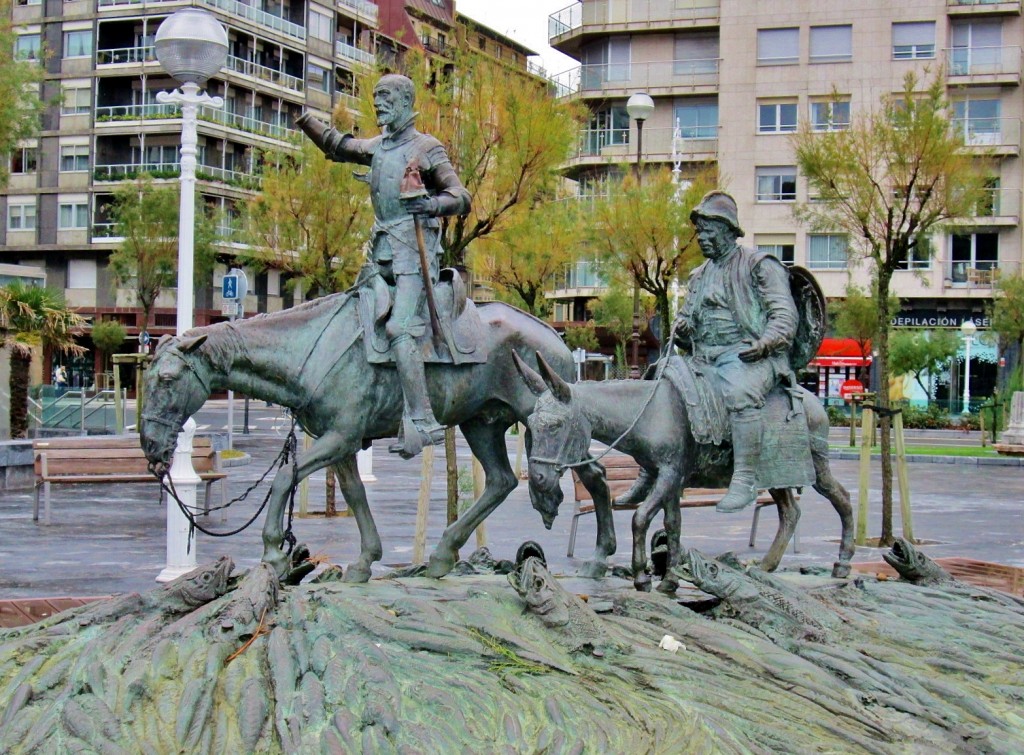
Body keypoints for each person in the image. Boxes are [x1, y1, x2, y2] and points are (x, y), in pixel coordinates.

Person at [295, 74, 471, 458]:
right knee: (353, 322)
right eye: (376, 98)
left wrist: (433, 205)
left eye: (386, 97)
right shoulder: (378, 146)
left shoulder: (427, 147)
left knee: (400, 328)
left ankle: (422, 419)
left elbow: (461, 196)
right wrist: (305, 118)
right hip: (379, 251)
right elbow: (338, 145)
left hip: (413, 251)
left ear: (407, 100)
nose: (379, 105)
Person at [673, 191, 798, 512]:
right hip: (705, 358)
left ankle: (744, 478)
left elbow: (784, 316)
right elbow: (687, 320)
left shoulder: (760, 265)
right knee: (664, 383)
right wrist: (683, 331)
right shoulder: (699, 275)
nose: (700, 238)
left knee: (739, 391)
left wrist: (765, 343)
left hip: (750, 355)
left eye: (707, 231)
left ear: (728, 230)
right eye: (698, 232)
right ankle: (652, 470)